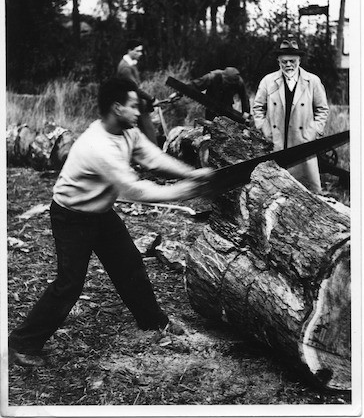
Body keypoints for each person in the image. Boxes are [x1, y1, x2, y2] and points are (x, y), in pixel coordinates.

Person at [9, 77, 213, 367]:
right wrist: (186, 191)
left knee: (129, 263)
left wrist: (192, 174)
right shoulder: (98, 146)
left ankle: (152, 321)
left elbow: (153, 158)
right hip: (72, 216)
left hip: (100, 212)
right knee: (70, 284)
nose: (138, 113)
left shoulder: (126, 131)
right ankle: (22, 344)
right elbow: (135, 190)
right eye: (133, 107)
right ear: (117, 108)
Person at [252, 39, 329, 193]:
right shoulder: (268, 81)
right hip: (276, 142)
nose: (288, 65)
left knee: (306, 193)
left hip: (302, 142)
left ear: (299, 60)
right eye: (284, 62)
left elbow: (322, 110)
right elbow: (258, 108)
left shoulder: (312, 81)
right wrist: (265, 129)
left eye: (292, 61)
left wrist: (313, 131)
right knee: (274, 190)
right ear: (278, 62)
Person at [117, 39, 158, 144]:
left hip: (138, 103)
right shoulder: (125, 68)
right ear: (129, 50)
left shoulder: (131, 65)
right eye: (137, 51)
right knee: (150, 136)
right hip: (134, 105)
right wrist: (151, 98)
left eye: (141, 51)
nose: (140, 54)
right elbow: (135, 88)